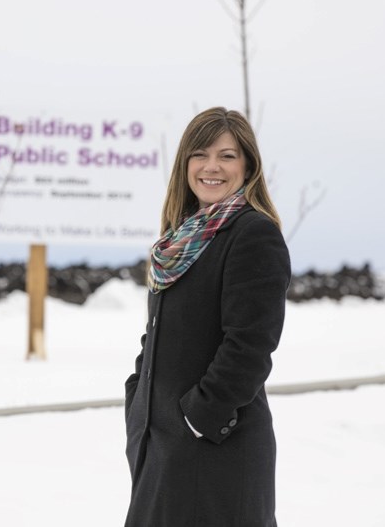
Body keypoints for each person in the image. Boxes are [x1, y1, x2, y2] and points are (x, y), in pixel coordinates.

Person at [124, 107, 291, 526]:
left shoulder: (254, 234)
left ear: (248, 166)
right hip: (162, 445)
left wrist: (199, 418)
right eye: (200, 154)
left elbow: (250, 346)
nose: (211, 167)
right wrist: (138, 400)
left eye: (227, 156)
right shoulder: (180, 241)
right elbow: (158, 334)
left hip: (217, 448)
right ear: (185, 164)